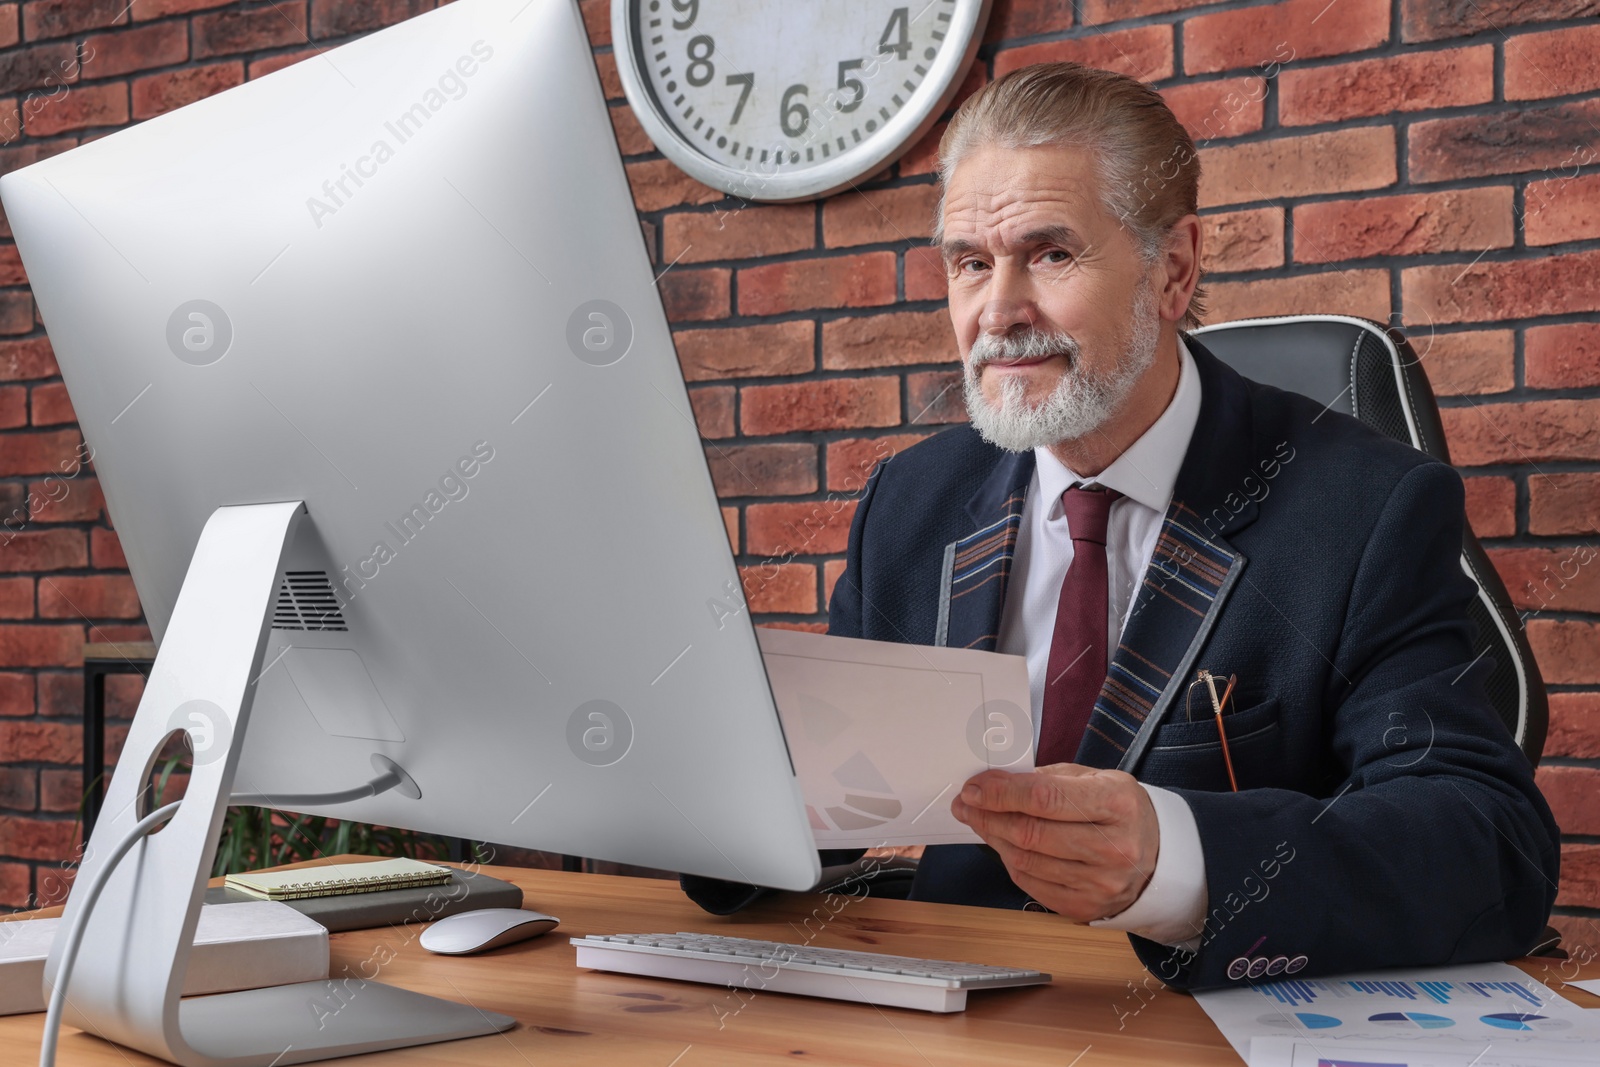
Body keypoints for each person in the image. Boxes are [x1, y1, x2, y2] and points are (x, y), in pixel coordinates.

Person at [683, 62, 1560, 990]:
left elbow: (1488, 844)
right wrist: (726, 794)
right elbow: (831, 797)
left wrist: (1172, 859)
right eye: (971, 263)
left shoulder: (1365, 506)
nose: (999, 311)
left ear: (1172, 270)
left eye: (1051, 254)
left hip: (1188, 1018)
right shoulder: (910, 502)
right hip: (937, 1009)